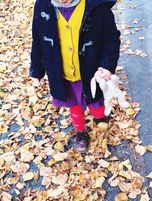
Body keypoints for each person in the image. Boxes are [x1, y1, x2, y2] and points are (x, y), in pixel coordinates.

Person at [30, 0, 121, 153]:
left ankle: (100, 118)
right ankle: (81, 132)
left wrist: (107, 64)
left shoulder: (97, 6)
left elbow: (111, 38)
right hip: (63, 74)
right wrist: (37, 70)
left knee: (96, 103)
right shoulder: (42, 6)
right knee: (74, 105)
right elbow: (38, 40)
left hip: (92, 73)